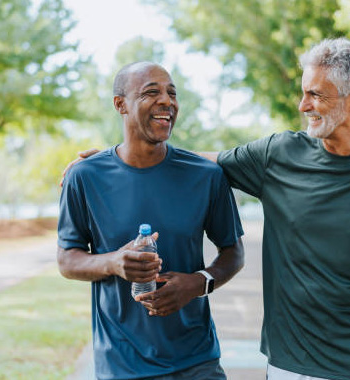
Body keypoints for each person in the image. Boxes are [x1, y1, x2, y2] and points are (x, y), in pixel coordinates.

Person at [66, 39, 350, 380]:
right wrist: (109, 158)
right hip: (290, 361)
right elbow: (201, 161)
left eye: (316, 95)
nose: (303, 105)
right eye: (304, 92)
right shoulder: (279, 154)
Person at [57, 61, 244, 380]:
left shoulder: (206, 176)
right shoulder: (84, 177)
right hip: (123, 364)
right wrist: (114, 262)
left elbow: (233, 252)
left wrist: (198, 283)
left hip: (198, 361)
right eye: (151, 92)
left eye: (172, 93)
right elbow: (67, 260)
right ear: (121, 105)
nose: (167, 101)